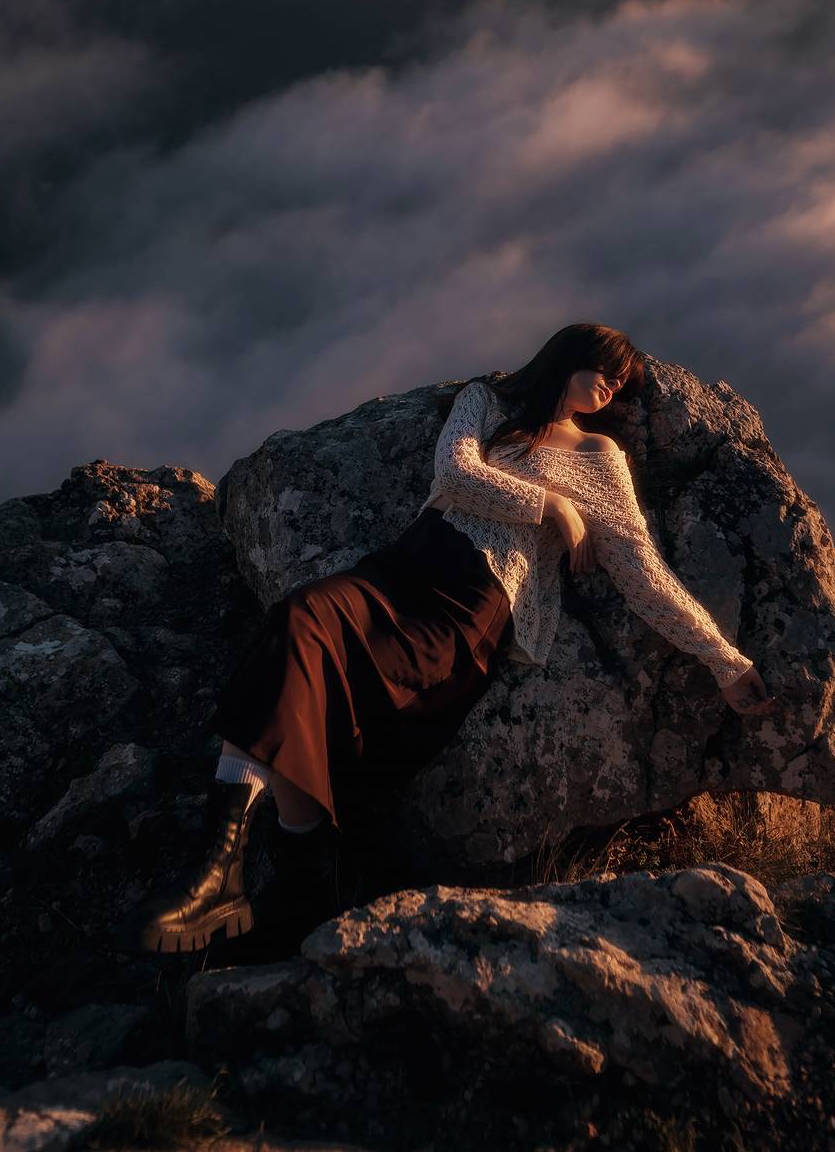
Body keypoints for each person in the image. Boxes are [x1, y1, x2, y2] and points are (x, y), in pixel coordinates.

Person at [118, 323, 776, 954]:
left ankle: (270, 878)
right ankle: (228, 872)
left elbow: (641, 571)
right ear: (564, 357)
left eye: (619, 385)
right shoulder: (485, 401)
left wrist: (723, 660)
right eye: (601, 371)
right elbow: (456, 474)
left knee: (319, 695)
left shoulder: (600, 457)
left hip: (468, 609)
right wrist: (553, 506)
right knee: (299, 621)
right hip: (399, 571)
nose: (608, 388)